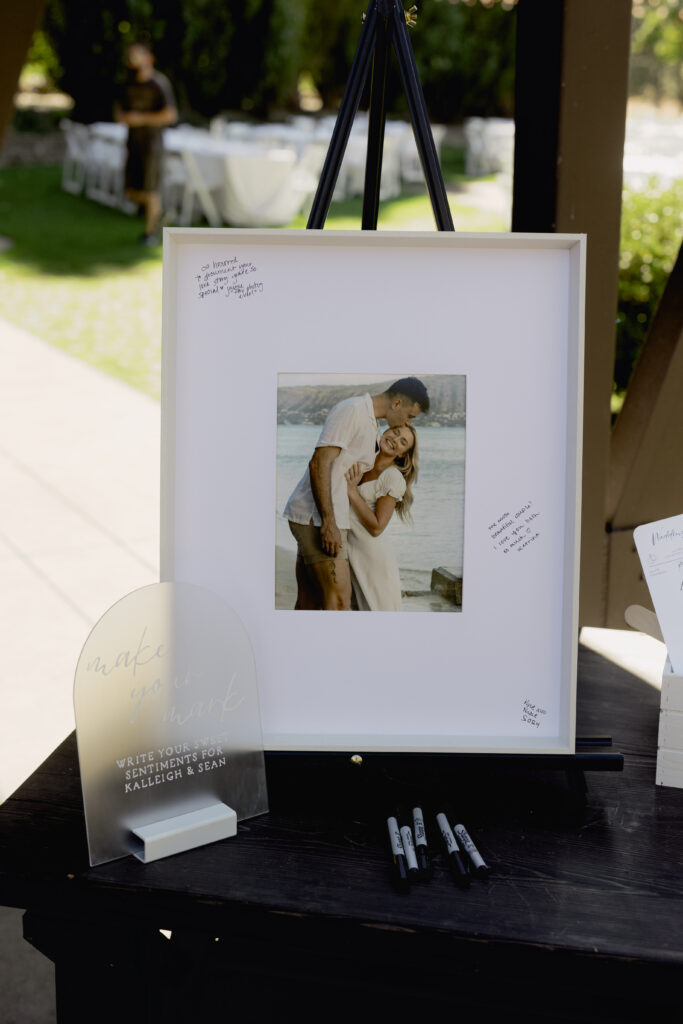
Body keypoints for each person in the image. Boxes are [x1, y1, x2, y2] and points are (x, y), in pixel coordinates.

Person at [284, 377, 429, 611]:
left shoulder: (373, 425)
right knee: (340, 601)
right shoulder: (353, 411)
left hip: (323, 519)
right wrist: (329, 522)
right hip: (319, 517)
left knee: (310, 603)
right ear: (397, 403)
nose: (408, 422)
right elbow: (319, 463)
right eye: (410, 416)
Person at [345, 424, 418, 611]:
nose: (395, 440)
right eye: (395, 432)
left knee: (379, 614)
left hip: (373, 558)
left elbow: (377, 527)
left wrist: (352, 492)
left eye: (403, 442)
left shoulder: (392, 476)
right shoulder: (363, 462)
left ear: (402, 454)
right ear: (384, 432)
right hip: (351, 553)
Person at [115, 42, 178, 245]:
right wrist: (125, 118)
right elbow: (120, 111)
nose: (134, 59)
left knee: (151, 190)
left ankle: (150, 233)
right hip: (133, 142)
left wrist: (141, 119)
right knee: (130, 190)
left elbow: (170, 115)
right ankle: (160, 209)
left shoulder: (159, 83)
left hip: (153, 144)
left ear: (149, 58)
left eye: (138, 55)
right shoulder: (129, 84)